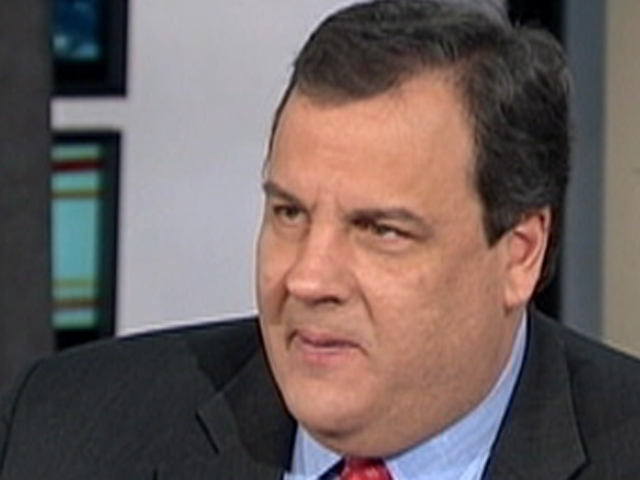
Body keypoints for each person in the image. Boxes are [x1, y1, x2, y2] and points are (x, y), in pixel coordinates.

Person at [2, 1, 640, 478]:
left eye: (380, 230)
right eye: (290, 213)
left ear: (520, 253)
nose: (307, 279)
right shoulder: (67, 431)